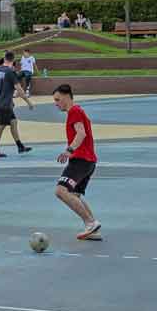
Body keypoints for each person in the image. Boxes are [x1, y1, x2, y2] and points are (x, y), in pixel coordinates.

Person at [51, 84, 101, 240]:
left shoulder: (74, 111)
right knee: (74, 195)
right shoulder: (78, 111)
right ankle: (93, 228)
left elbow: (81, 134)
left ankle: (90, 222)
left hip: (80, 160)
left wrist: (69, 150)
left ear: (67, 96)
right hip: (89, 162)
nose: (56, 103)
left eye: (58, 99)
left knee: (61, 191)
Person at [0, 51, 30, 156]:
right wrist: (28, 102)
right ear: (13, 60)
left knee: (13, 122)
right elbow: (19, 89)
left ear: (4, 58)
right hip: (5, 104)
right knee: (1, 126)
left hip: (0, 102)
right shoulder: (10, 72)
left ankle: (20, 146)